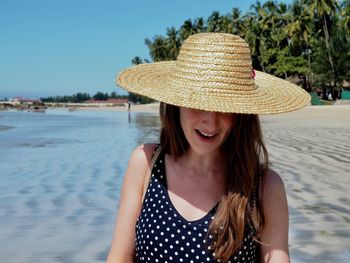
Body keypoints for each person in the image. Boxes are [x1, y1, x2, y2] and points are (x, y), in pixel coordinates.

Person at [107, 33, 310, 263]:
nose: (211, 123)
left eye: (225, 107)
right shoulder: (145, 164)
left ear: (242, 113)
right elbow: (119, 257)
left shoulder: (263, 188)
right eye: (198, 103)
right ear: (177, 102)